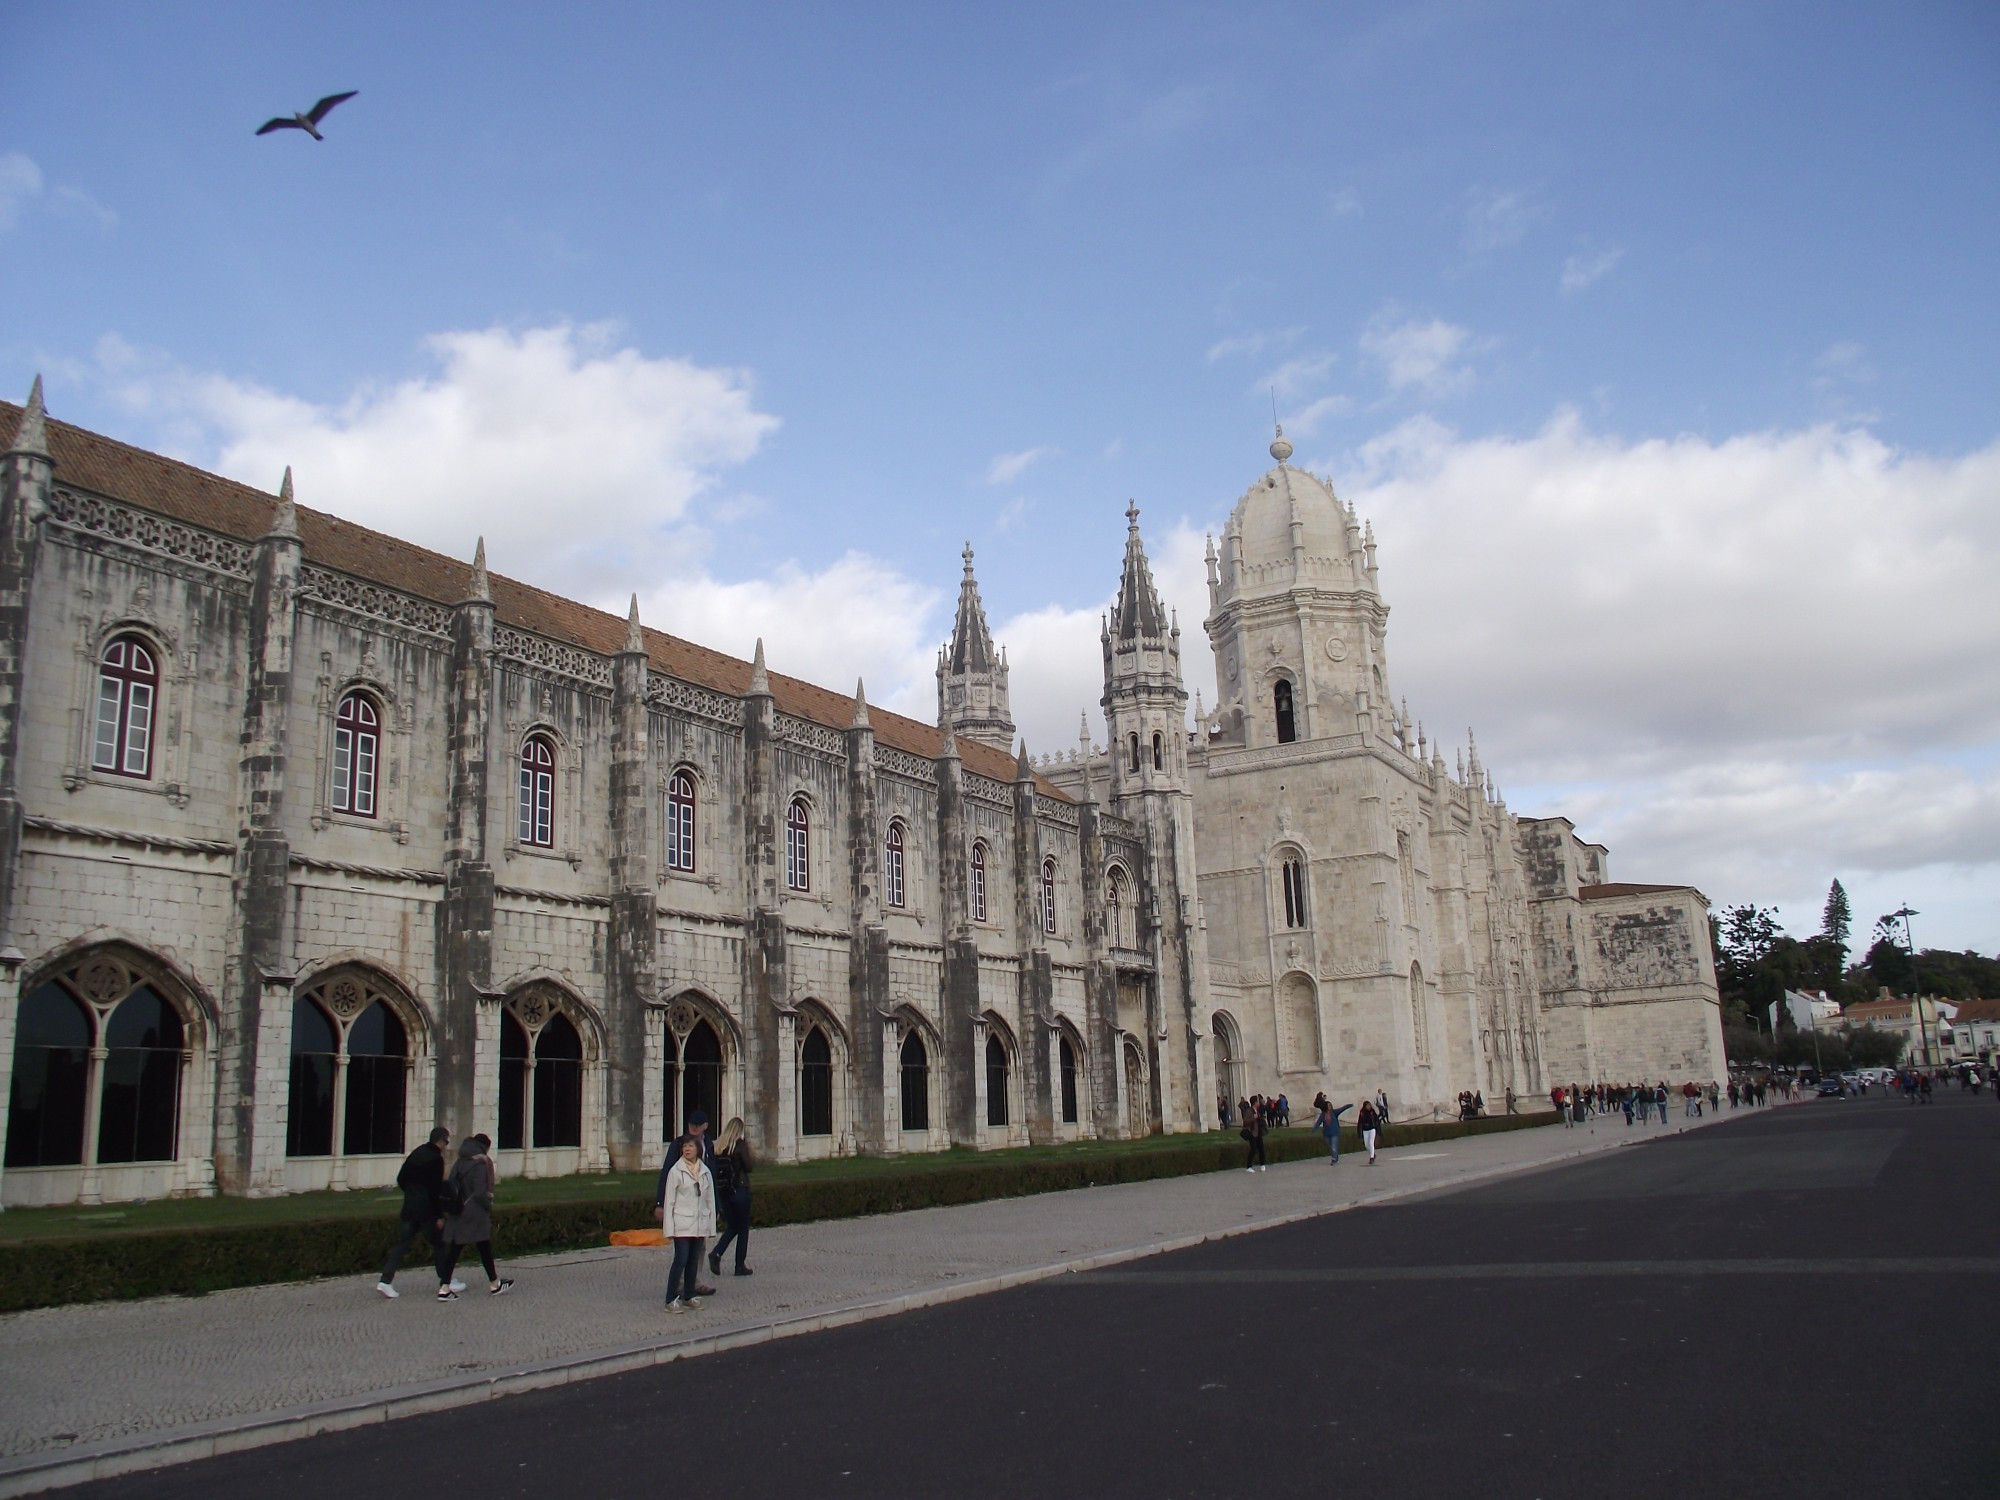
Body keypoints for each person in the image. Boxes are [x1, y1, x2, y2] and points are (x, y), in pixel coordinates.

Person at [378, 1126, 452, 1298]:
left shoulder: (416, 1154)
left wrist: (412, 1194)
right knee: (439, 1244)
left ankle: (385, 1280)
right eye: (446, 1142)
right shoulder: (436, 1159)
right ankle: (446, 1281)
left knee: (402, 1244)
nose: (446, 1146)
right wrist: (439, 1215)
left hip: (410, 1207)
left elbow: (401, 1179)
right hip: (427, 1210)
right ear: (440, 1141)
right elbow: (435, 1190)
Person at [437, 1136, 512, 1300]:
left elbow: (450, 1184)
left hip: (458, 1209)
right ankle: (492, 1283)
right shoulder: (479, 1165)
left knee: (462, 1248)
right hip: (474, 1212)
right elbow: (480, 1191)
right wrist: (488, 1205)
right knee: (481, 1247)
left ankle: (492, 1282)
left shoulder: (459, 1162)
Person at [658, 1110, 720, 1296]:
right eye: (691, 1124)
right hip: (683, 1207)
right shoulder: (678, 1145)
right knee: (683, 1254)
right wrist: (660, 1203)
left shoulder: (708, 1144)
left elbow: (712, 1177)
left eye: (697, 1125)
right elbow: (666, 1174)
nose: (693, 1128)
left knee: (699, 1248)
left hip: (700, 1207)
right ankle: (677, 1287)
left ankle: (694, 1282)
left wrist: (716, 1205)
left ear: (705, 1127)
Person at [707, 1116, 755, 1278]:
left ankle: (717, 1253)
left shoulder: (719, 1147)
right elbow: (749, 1166)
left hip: (725, 1192)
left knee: (732, 1227)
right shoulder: (739, 1146)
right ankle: (739, 1265)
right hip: (740, 1189)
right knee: (742, 1228)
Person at [1318, 1098, 1352, 1163]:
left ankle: (1334, 1159)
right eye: (1328, 1106)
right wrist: (1314, 1128)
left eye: (1330, 1105)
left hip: (1335, 1133)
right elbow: (1318, 1122)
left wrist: (1348, 1106)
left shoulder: (1334, 1112)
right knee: (1330, 1147)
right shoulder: (1323, 1114)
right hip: (1326, 1134)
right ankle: (1335, 1157)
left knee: (1333, 1146)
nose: (1330, 1107)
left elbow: (1341, 1109)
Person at [1241, 1097, 1267, 1172]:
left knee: (1261, 1149)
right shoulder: (1249, 1111)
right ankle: (1249, 1166)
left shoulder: (1257, 1110)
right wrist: (1253, 1118)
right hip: (1252, 1133)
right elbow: (1245, 1121)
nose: (1259, 1103)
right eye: (1258, 1102)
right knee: (1253, 1149)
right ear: (1255, 1103)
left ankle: (1262, 1164)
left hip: (1258, 1132)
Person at [1356, 1097, 1381, 1164]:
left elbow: (1377, 1121)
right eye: (1367, 1105)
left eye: (1369, 1105)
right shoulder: (1362, 1113)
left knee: (1371, 1143)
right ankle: (1373, 1154)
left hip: (1372, 1129)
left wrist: (1378, 1130)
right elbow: (1359, 1123)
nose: (1368, 1107)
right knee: (1366, 1145)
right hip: (1365, 1130)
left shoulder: (1372, 1112)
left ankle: (1371, 1158)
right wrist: (1359, 1132)